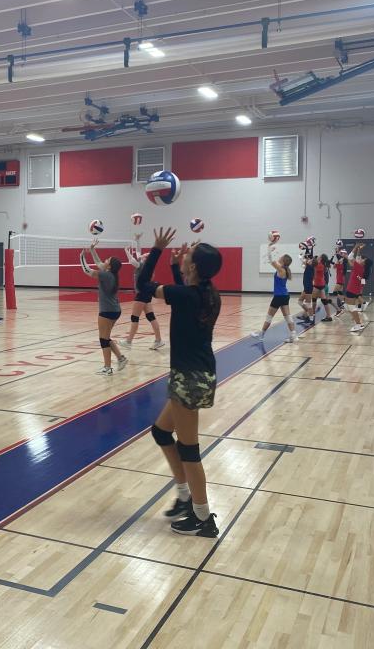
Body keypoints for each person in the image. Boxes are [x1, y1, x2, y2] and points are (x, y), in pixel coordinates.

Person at [136, 228, 222, 537]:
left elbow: (142, 286)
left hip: (190, 378)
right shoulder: (207, 294)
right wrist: (176, 267)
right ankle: (185, 497)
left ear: (195, 268)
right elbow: (183, 292)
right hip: (196, 374)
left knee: (190, 450)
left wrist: (156, 250)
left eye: (187, 257)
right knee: (161, 432)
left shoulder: (187, 296)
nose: (184, 256)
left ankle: (202, 518)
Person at [80, 239, 128, 375]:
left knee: (103, 339)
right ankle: (121, 358)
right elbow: (99, 263)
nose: (105, 260)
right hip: (114, 310)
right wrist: (92, 249)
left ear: (110, 266)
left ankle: (107, 368)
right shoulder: (111, 274)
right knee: (106, 337)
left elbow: (87, 270)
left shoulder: (106, 275)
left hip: (107, 311)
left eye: (108, 259)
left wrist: (81, 256)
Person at [121, 234, 165, 351]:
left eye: (144, 256)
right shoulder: (146, 266)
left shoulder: (141, 265)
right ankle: (159, 340)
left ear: (146, 259)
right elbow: (138, 253)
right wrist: (137, 240)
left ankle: (129, 341)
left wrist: (126, 250)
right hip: (146, 293)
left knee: (134, 318)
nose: (142, 255)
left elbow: (132, 259)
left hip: (141, 294)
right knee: (151, 317)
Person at [251, 238, 297, 342]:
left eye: (281, 257)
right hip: (285, 296)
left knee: (269, 317)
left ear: (283, 260)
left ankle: (261, 336)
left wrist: (269, 246)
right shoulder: (284, 269)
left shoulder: (280, 269)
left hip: (279, 296)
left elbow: (270, 260)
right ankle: (294, 336)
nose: (280, 257)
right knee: (288, 317)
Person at [345, 243, 368, 332]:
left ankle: (358, 324)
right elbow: (357, 257)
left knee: (350, 307)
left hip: (351, 290)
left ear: (363, 263)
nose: (360, 259)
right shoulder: (362, 269)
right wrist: (358, 249)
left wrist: (355, 247)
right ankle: (357, 319)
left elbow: (350, 257)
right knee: (347, 307)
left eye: (363, 259)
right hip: (354, 290)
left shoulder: (358, 267)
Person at [311, 254, 335, 322]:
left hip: (318, 284)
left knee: (314, 299)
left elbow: (312, 265)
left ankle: (313, 314)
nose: (318, 256)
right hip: (322, 284)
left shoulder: (320, 265)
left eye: (319, 256)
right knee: (324, 301)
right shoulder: (322, 265)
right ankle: (329, 316)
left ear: (321, 258)